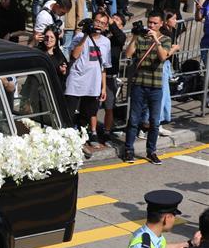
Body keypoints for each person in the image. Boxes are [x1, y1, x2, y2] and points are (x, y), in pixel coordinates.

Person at [123, 12, 173, 164]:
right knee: (133, 119)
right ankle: (129, 150)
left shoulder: (166, 39)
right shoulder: (140, 37)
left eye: (155, 23)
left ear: (161, 24)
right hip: (139, 84)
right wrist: (134, 37)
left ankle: (151, 151)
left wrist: (156, 40)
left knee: (154, 121)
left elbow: (163, 57)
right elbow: (128, 54)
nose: (151, 25)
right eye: (150, 22)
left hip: (156, 86)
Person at [65, 15, 111, 151]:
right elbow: (74, 55)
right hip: (76, 81)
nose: (99, 25)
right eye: (97, 21)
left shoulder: (106, 42)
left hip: (93, 83)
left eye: (103, 23)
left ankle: (82, 137)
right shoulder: (80, 36)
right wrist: (85, 35)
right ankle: (67, 138)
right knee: (69, 112)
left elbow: (104, 66)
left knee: (88, 113)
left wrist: (103, 87)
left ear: (106, 26)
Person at [100, 12, 128, 142]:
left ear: (121, 26)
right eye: (112, 18)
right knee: (92, 105)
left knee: (109, 107)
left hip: (110, 76)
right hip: (96, 74)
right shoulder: (103, 34)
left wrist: (111, 23)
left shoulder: (119, 37)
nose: (112, 20)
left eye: (116, 20)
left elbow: (119, 36)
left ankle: (107, 131)